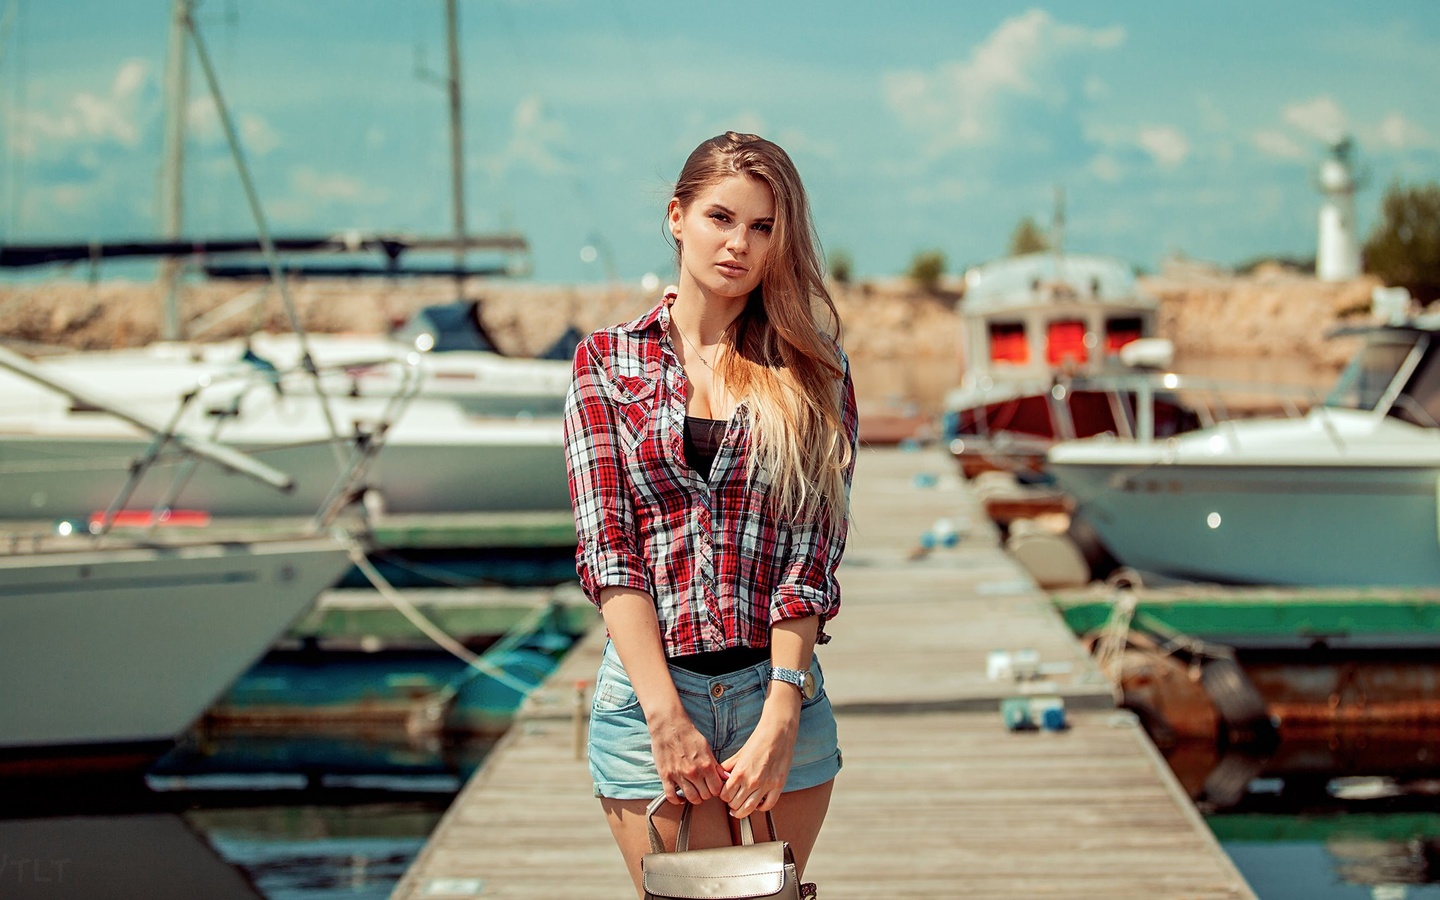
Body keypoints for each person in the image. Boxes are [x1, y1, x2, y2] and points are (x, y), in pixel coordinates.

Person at [563, 131, 858, 896]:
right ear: (677, 216)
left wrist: (780, 719)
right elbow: (608, 552)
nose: (740, 245)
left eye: (764, 228)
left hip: (777, 694)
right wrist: (667, 719)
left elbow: (810, 556)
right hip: (648, 703)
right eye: (721, 218)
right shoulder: (606, 363)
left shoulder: (814, 370)